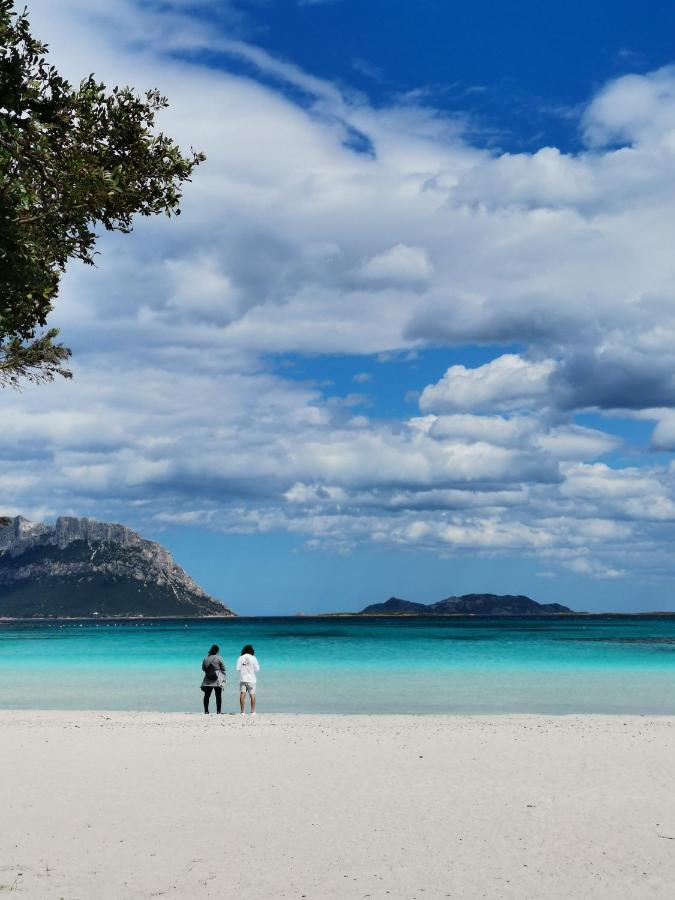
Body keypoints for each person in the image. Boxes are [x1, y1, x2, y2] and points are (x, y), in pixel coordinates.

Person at [201, 644, 226, 714]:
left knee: (207, 695)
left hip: (208, 678)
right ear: (217, 651)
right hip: (217, 679)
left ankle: (206, 711)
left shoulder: (205, 658)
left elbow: (203, 669)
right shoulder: (219, 658)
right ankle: (218, 711)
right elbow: (224, 668)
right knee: (218, 695)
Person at [236, 644, 260, 716]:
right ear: (251, 651)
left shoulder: (240, 658)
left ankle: (242, 712)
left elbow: (238, 669)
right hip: (252, 679)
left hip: (243, 678)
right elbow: (257, 669)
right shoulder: (253, 658)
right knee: (252, 694)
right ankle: (252, 712)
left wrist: (244, 667)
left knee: (242, 694)